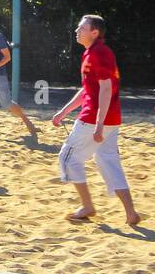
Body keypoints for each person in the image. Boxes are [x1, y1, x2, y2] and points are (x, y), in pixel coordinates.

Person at [51, 14, 141, 225]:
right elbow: (88, 90)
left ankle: (87, 206)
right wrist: (64, 112)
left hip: (95, 119)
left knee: (68, 158)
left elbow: (106, 88)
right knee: (108, 161)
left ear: (94, 32)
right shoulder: (93, 52)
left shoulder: (99, 53)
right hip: (109, 117)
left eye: (82, 28)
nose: (77, 31)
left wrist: (99, 124)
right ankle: (131, 213)